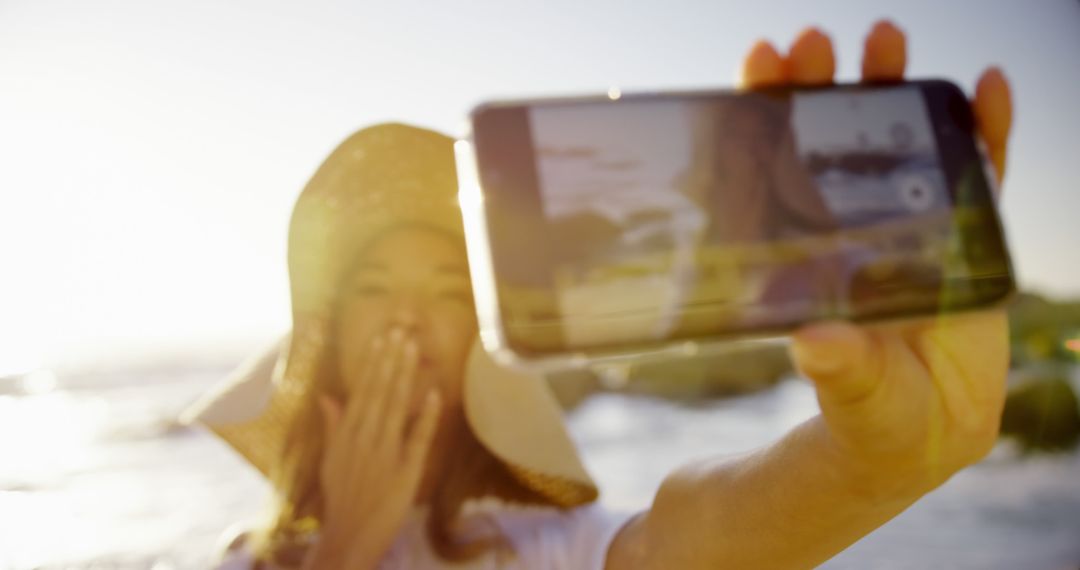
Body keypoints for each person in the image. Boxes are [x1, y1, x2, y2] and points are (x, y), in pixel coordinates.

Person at [183, 20, 1014, 569]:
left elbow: (685, 539)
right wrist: (347, 549)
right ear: (326, 335)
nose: (407, 315)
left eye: (446, 289)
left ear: (484, 335)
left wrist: (864, 466)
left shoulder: (539, 547)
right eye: (374, 287)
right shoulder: (245, 561)